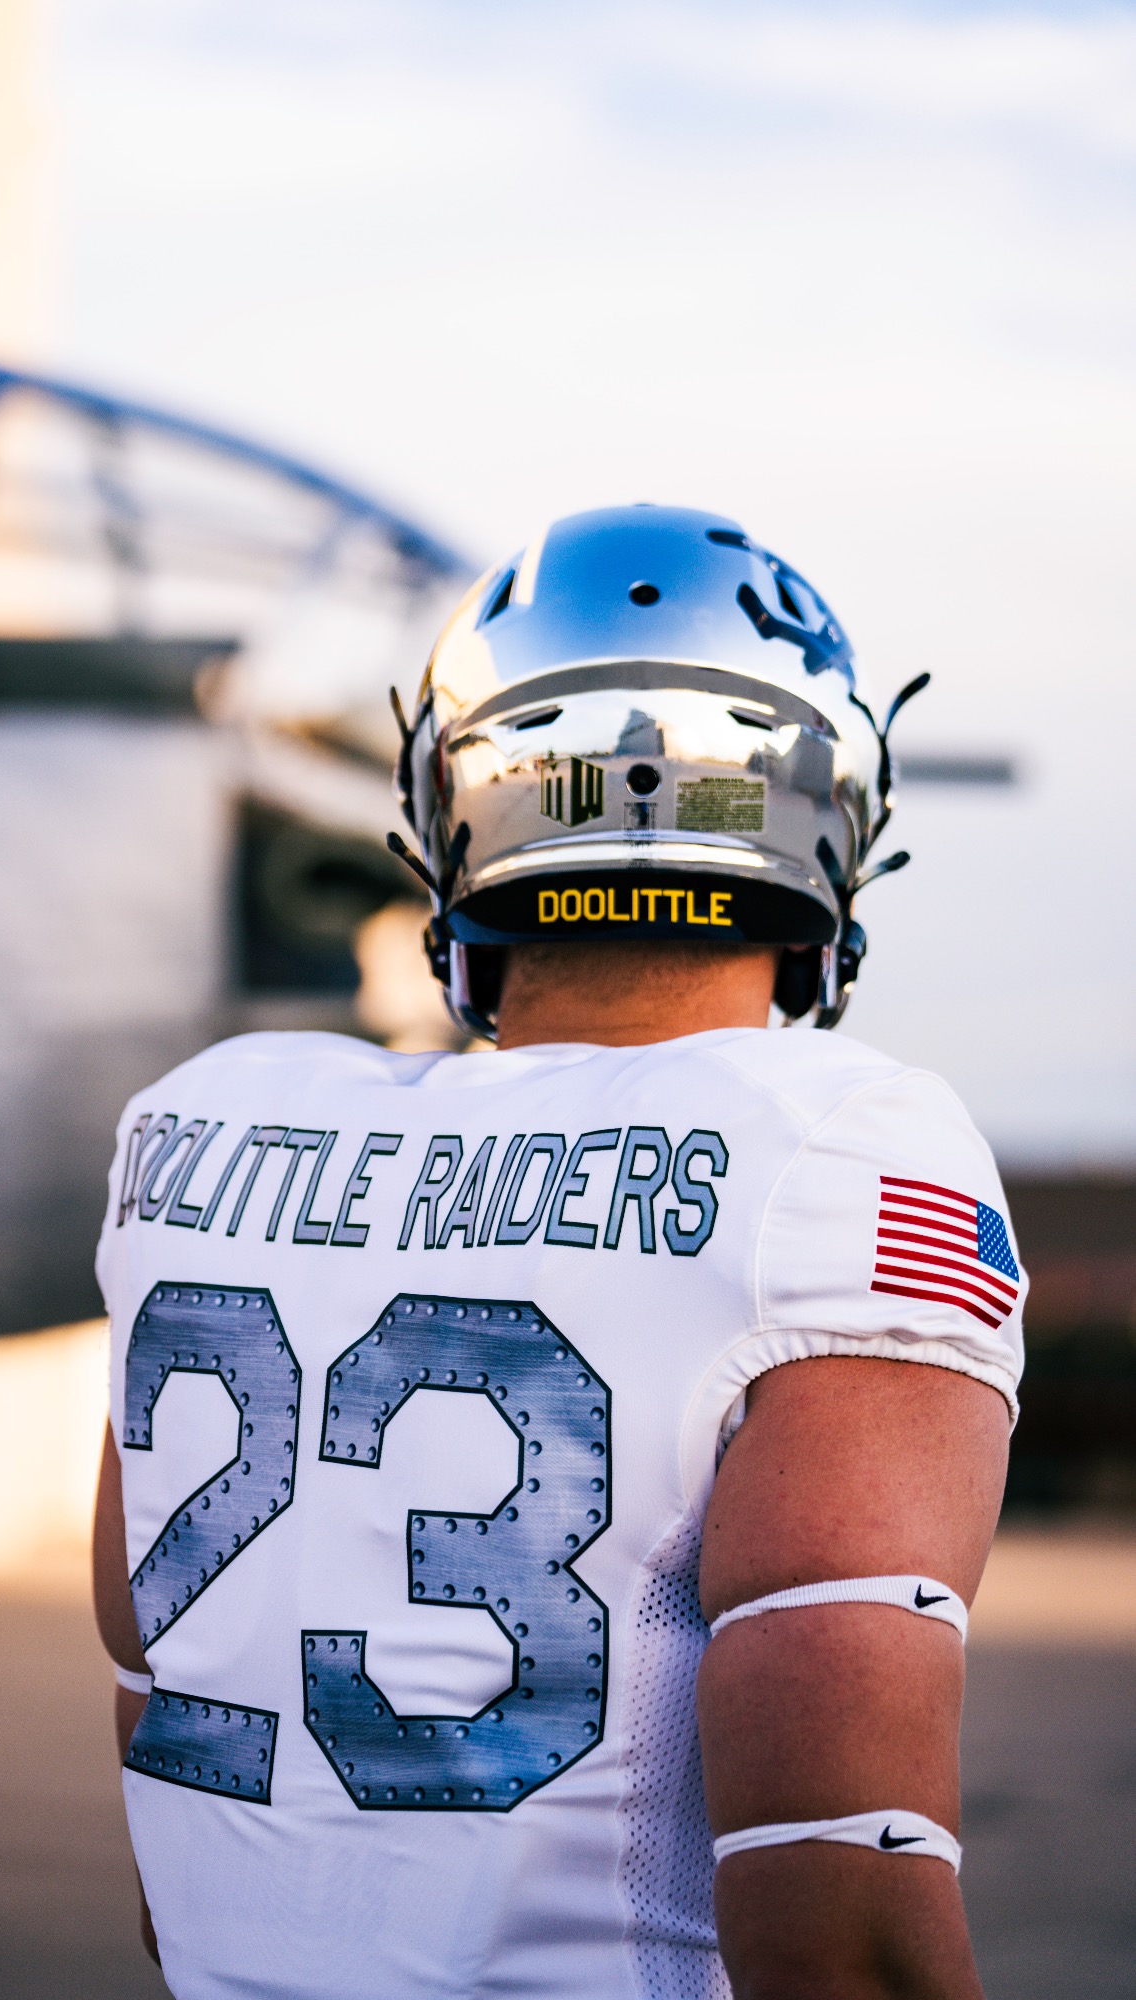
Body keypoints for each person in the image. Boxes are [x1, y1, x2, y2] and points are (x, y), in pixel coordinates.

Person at [92, 504, 1024, 1999]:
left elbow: (171, 1741)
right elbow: (840, 1900)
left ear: (452, 805)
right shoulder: (846, 1148)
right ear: (828, 813)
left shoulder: (203, 1136)